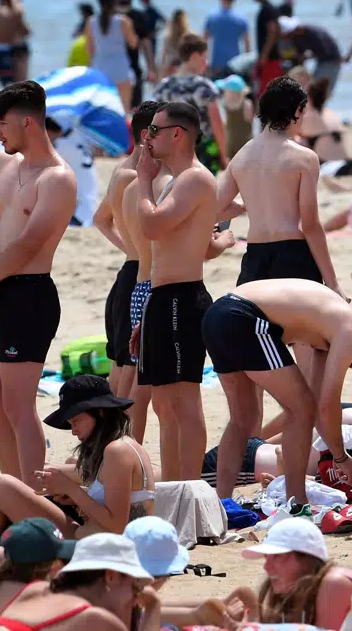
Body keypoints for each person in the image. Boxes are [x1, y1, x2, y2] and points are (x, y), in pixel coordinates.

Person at [0, 81, 78, 482]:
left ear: (26, 122)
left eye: (0, 123)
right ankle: (14, 489)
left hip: (30, 296)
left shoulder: (58, 178)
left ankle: (35, 496)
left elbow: (27, 245)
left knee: (18, 406)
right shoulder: (1, 165)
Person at [203, 279, 352, 504]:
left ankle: (222, 503)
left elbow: (321, 405)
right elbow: (327, 404)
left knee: (244, 417)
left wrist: (340, 454)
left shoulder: (329, 329)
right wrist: (340, 457)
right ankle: (297, 501)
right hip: (244, 316)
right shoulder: (348, 330)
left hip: (218, 314)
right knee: (300, 409)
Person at [130, 101, 219, 483]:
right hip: (162, 298)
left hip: (183, 297)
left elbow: (151, 227)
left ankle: (189, 486)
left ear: (177, 134)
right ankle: (172, 487)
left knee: (183, 401)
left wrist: (143, 181)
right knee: (165, 405)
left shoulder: (195, 179)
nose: (147, 138)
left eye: (154, 130)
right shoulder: (173, 182)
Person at [0, 375, 158, 543]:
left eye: (76, 421)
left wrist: (72, 490)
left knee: (2, 486)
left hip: (105, 550)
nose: (73, 431)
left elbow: (117, 526)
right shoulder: (123, 445)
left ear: (99, 411)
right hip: (94, 538)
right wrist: (75, 497)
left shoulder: (118, 451)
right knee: (9, 488)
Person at [220, 76, 343, 298]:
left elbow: (217, 209)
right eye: (303, 112)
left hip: (255, 256)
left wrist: (247, 204)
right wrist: (333, 283)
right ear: (296, 111)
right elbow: (311, 225)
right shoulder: (304, 158)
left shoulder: (240, 157)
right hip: (292, 255)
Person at [94, 103, 157, 400]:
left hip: (129, 271)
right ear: (147, 134)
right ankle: (117, 432)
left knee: (122, 358)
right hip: (137, 276)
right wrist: (135, 249)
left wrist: (129, 248)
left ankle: (112, 431)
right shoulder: (137, 178)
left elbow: (100, 219)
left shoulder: (122, 170)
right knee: (129, 363)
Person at [0, 534, 158, 631]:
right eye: (135, 588)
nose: (136, 599)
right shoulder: (96, 620)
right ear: (111, 576)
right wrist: (153, 606)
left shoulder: (34, 591)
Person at [150, 34, 226, 172]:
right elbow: (217, 123)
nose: (206, 62)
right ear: (195, 56)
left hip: (171, 149)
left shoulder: (164, 86)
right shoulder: (205, 87)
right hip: (201, 150)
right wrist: (223, 154)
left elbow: (154, 121)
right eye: (205, 57)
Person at [85, 0, 138, 112]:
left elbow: (89, 48)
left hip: (100, 66)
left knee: (102, 108)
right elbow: (133, 44)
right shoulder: (123, 21)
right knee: (125, 110)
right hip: (120, 66)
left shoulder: (91, 21)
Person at [203, 0, 250, 77]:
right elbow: (247, 43)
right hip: (236, 63)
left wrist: (205, 60)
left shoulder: (212, 17)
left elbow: (204, 41)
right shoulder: (241, 19)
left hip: (217, 62)